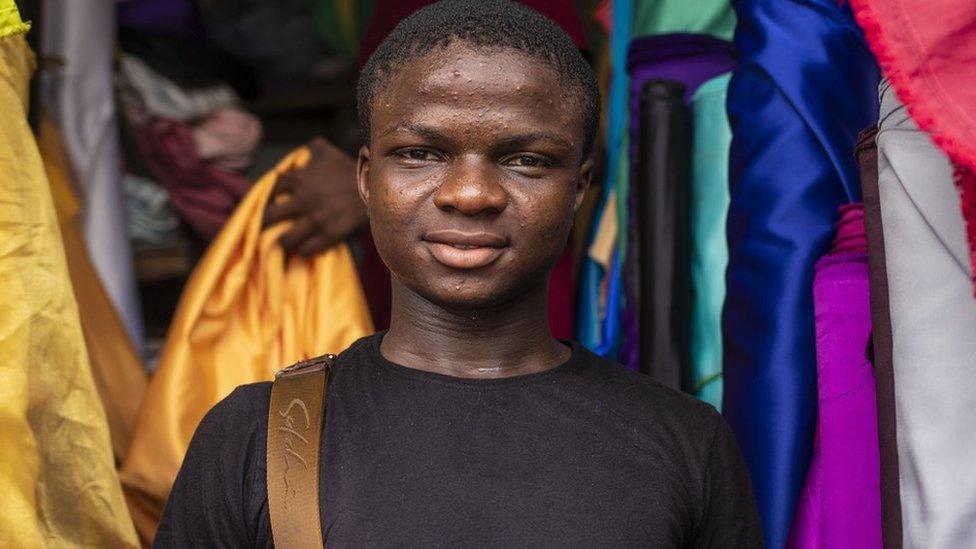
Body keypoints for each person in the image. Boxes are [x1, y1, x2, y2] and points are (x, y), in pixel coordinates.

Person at [154, 1, 762, 546]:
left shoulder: (686, 443)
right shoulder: (254, 436)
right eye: (421, 153)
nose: (471, 193)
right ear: (368, 178)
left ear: (578, 187)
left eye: (526, 160)